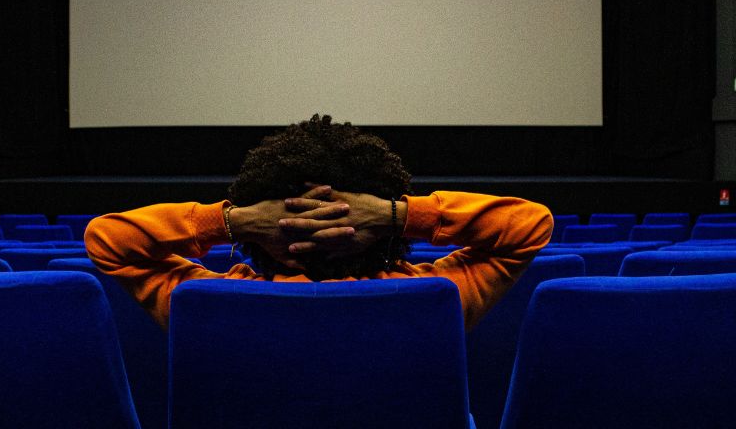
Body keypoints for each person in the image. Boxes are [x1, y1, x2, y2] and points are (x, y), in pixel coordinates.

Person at [85, 114, 553, 330]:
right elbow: (530, 225)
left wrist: (231, 221)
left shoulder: (205, 302)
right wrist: (398, 215)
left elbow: (106, 240)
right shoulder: (439, 295)